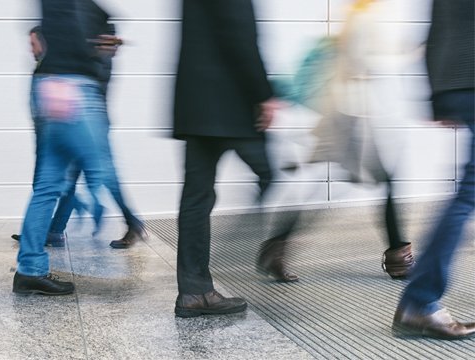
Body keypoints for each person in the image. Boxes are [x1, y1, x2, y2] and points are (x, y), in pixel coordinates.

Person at [257, 0, 414, 282]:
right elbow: (360, 61)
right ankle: (398, 256)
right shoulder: (362, 17)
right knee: (382, 181)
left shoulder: (359, 15)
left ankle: (276, 246)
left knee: (337, 185)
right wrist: (403, 54)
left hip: (349, 117)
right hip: (351, 119)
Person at [173, 0, 279, 318]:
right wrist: (262, 94)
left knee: (196, 196)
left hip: (196, 100)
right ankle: (251, 252)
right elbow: (239, 32)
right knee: (275, 176)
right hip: (229, 101)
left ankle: (194, 291)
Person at [12, 0, 146, 249]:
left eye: (33, 44)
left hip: (86, 114)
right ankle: (51, 232)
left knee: (98, 175)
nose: (31, 49)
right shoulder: (52, 62)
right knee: (63, 179)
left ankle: (132, 221)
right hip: (76, 111)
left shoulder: (86, 41)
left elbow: (100, 77)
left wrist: (89, 115)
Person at [12, 0, 107, 295]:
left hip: (68, 92)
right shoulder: (50, 67)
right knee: (53, 183)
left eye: (33, 43)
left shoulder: (45, 68)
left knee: (52, 184)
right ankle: (33, 261)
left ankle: (34, 259)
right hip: (68, 91)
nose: (31, 49)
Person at [392, 0, 474, 340]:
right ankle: (420, 301)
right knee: (468, 195)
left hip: (455, 81)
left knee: (467, 194)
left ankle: (420, 300)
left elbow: (435, 25)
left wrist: (437, 94)